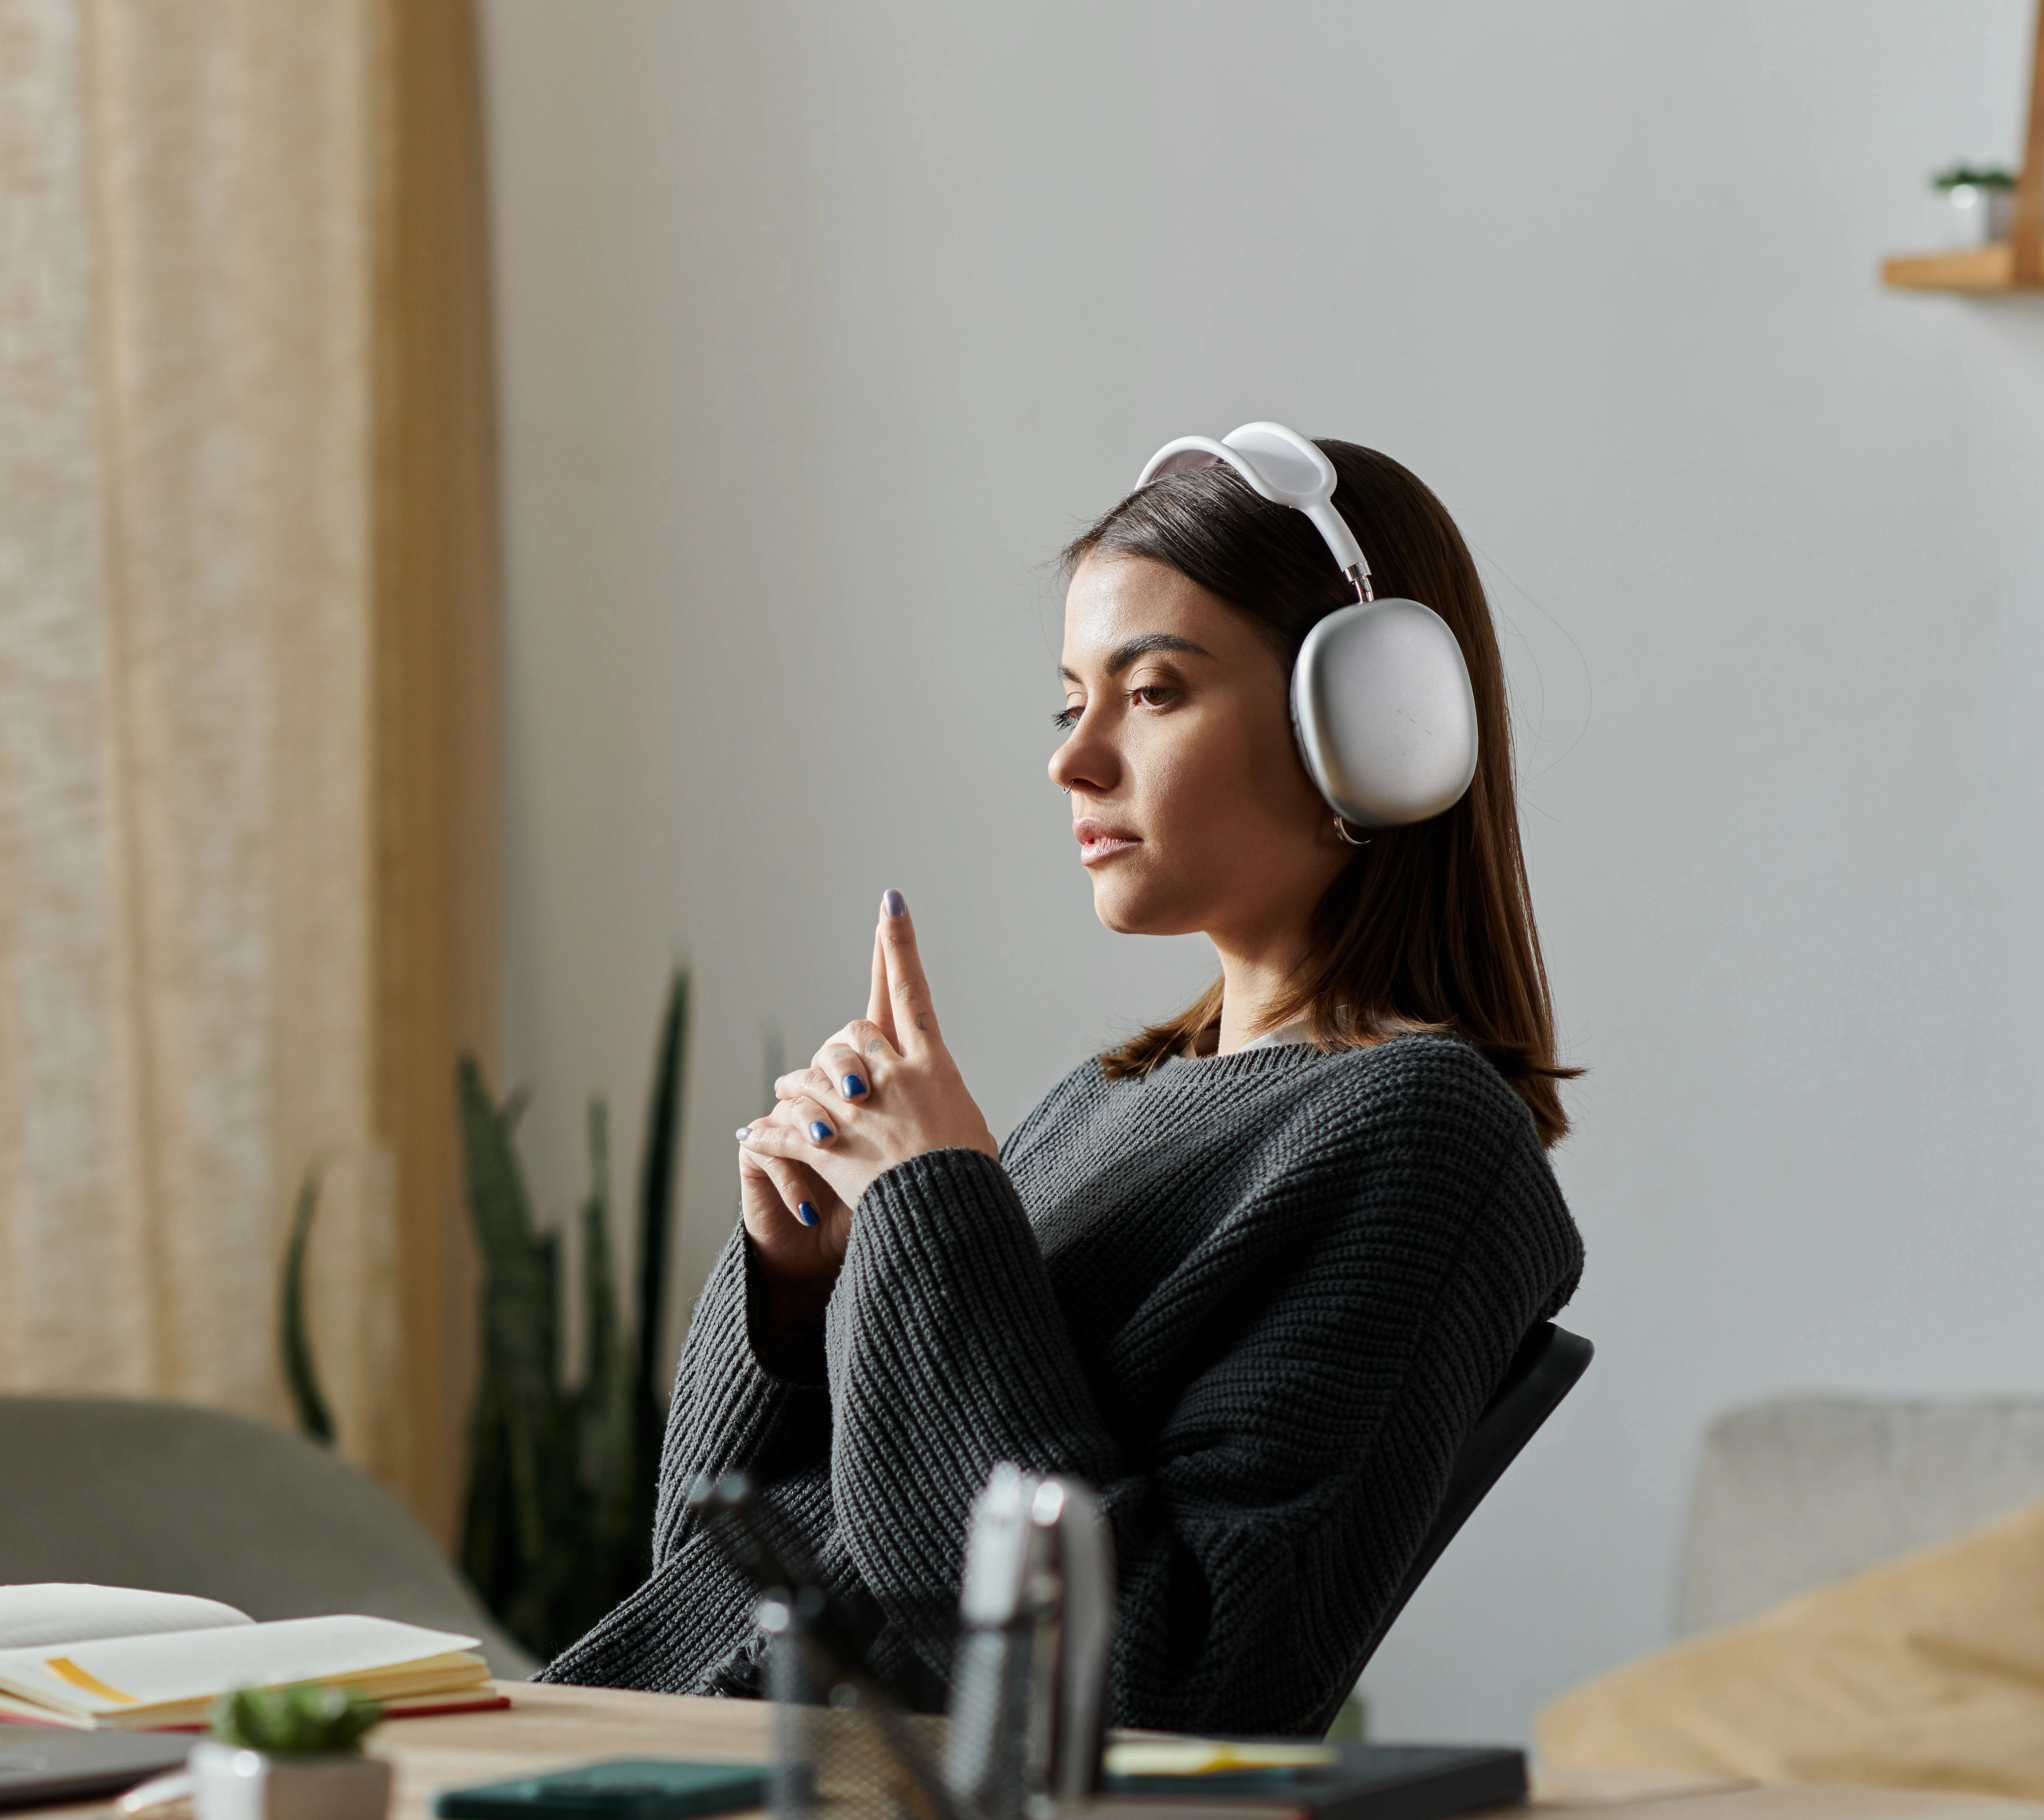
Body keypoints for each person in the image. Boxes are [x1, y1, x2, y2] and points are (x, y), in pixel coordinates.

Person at [540, 433, 1584, 1738]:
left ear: (1376, 730)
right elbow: (726, 1577)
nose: (1073, 761)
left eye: (1150, 694)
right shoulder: (1110, 1101)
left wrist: (930, 1213)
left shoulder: (1423, 1136)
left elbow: (1165, 1685)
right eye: (1069, 701)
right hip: (683, 1770)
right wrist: (805, 1289)